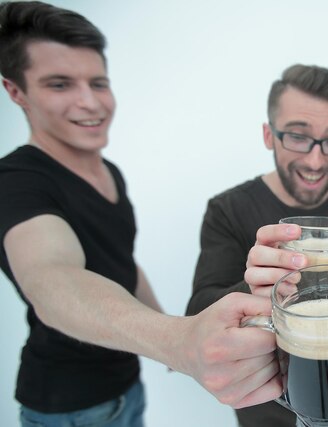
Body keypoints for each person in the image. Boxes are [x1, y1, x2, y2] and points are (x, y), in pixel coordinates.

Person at [0, 2, 282, 425]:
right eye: (60, 85)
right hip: (67, 406)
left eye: (98, 83)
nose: (89, 102)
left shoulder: (107, 171)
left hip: (127, 386)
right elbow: (52, 279)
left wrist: (170, 330)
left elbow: (119, 262)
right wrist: (179, 341)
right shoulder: (16, 181)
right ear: (15, 91)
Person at [185, 64, 328, 427]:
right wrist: (258, 289)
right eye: (299, 137)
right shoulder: (229, 209)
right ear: (269, 135)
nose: (316, 160)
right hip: (264, 408)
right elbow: (196, 313)